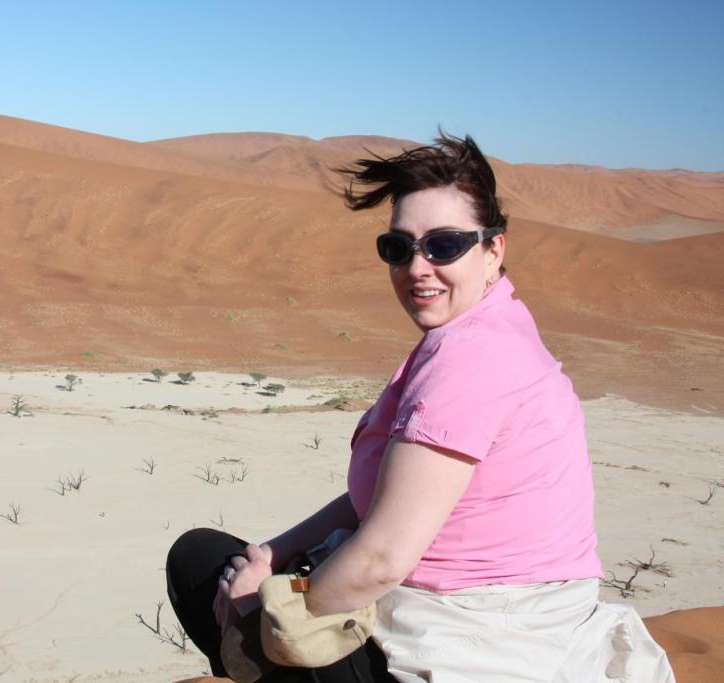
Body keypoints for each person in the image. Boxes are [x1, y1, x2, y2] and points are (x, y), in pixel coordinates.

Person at [166, 134, 674, 682]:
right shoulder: (490, 324)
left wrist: (261, 610)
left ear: (493, 249)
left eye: (444, 245)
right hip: (508, 615)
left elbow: (381, 560)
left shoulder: (470, 357)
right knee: (231, 560)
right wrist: (271, 551)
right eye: (398, 247)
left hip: (469, 638)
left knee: (201, 565)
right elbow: (389, 493)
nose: (417, 266)